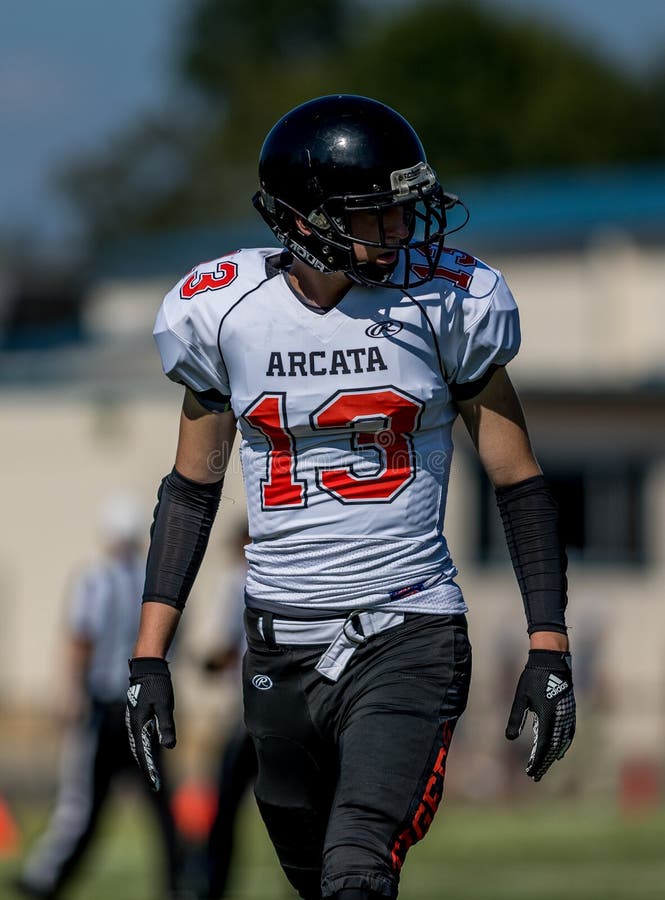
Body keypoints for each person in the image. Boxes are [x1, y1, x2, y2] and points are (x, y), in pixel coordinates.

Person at [125, 94, 576, 900]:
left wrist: (548, 642)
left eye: (404, 208)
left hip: (407, 631)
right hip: (279, 642)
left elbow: (518, 480)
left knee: (357, 866)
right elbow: (192, 489)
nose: (402, 230)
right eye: (377, 213)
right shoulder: (224, 311)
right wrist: (148, 654)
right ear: (303, 220)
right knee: (313, 874)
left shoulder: (445, 303)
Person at [16, 494, 182, 900]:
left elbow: (80, 640)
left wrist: (68, 692)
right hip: (139, 706)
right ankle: (182, 884)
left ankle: (43, 879)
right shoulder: (150, 583)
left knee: (82, 805)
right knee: (160, 803)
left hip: (103, 708)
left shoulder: (95, 579)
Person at [199, 522, 257, 900]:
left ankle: (211, 885)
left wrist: (204, 664)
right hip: (291, 706)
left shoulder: (239, 581)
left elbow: (225, 648)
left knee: (225, 805)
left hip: (248, 711)